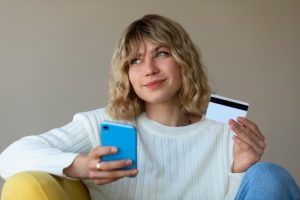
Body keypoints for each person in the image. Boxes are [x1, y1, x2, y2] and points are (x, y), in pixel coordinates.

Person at [0, 14, 299, 200]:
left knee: (268, 176)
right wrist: (80, 166)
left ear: (185, 60)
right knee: (25, 181)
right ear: (126, 73)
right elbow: (9, 158)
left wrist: (240, 170)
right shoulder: (106, 122)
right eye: (135, 60)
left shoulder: (223, 118)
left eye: (162, 53)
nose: (149, 69)